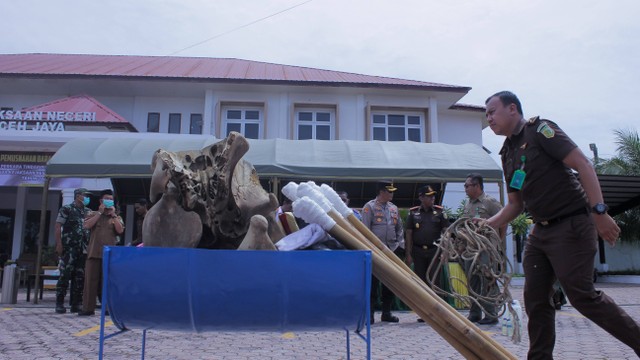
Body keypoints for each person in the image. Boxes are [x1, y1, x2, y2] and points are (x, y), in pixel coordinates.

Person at [484, 90, 640, 358]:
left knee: (581, 296)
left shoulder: (541, 130)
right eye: (486, 114)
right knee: (535, 300)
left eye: (492, 112)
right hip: (540, 231)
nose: (488, 118)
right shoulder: (507, 152)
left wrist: (599, 212)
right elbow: (515, 204)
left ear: (512, 109)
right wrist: (486, 223)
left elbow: (583, 164)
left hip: (572, 224)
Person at [461, 173, 505, 325]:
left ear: (477, 186)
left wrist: (498, 240)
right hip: (470, 248)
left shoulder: (489, 202)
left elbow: (503, 220)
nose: (465, 188)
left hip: (485, 248)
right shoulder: (468, 204)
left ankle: (490, 314)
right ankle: (475, 313)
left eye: (467, 185)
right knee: (472, 281)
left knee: (487, 281)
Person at [362, 181, 404, 323]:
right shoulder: (370, 207)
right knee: (373, 283)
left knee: (390, 283)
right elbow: (365, 230)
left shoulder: (394, 208)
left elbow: (399, 228)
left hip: (391, 250)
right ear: (381, 192)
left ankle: (386, 312)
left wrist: (399, 244)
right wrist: (370, 248)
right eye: (389, 191)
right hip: (375, 251)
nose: (392, 194)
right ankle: (370, 314)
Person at [404, 185, 448, 322]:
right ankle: (424, 312)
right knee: (421, 282)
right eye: (429, 196)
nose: (432, 198)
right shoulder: (413, 213)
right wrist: (408, 254)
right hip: (418, 251)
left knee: (435, 281)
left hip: (435, 250)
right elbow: (409, 234)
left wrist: (445, 251)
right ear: (421, 198)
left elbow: (446, 232)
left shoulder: (440, 212)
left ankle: (438, 313)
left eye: (433, 196)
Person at [78, 190, 124, 316]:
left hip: (109, 255)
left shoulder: (116, 217)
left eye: (111, 199)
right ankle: (88, 308)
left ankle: (108, 308)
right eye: (106, 199)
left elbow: (120, 231)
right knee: (90, 282)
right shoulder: (92, 214)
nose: (109, 201)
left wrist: (113, 215)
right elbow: (87, 225)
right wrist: (99, 212)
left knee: (108, 282)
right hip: (94, 252)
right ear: (101, 201)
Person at [54, 188, 92, 314]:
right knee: (65, 275)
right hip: (69, 248)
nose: (87, 197)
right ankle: (59, 303)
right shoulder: (67, 209)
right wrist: (59, 244)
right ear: (77, 196)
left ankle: (76, 303)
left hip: (83, 249)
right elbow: (58, 226)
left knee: (80, 276)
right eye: (85, 195)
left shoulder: (88, 212)